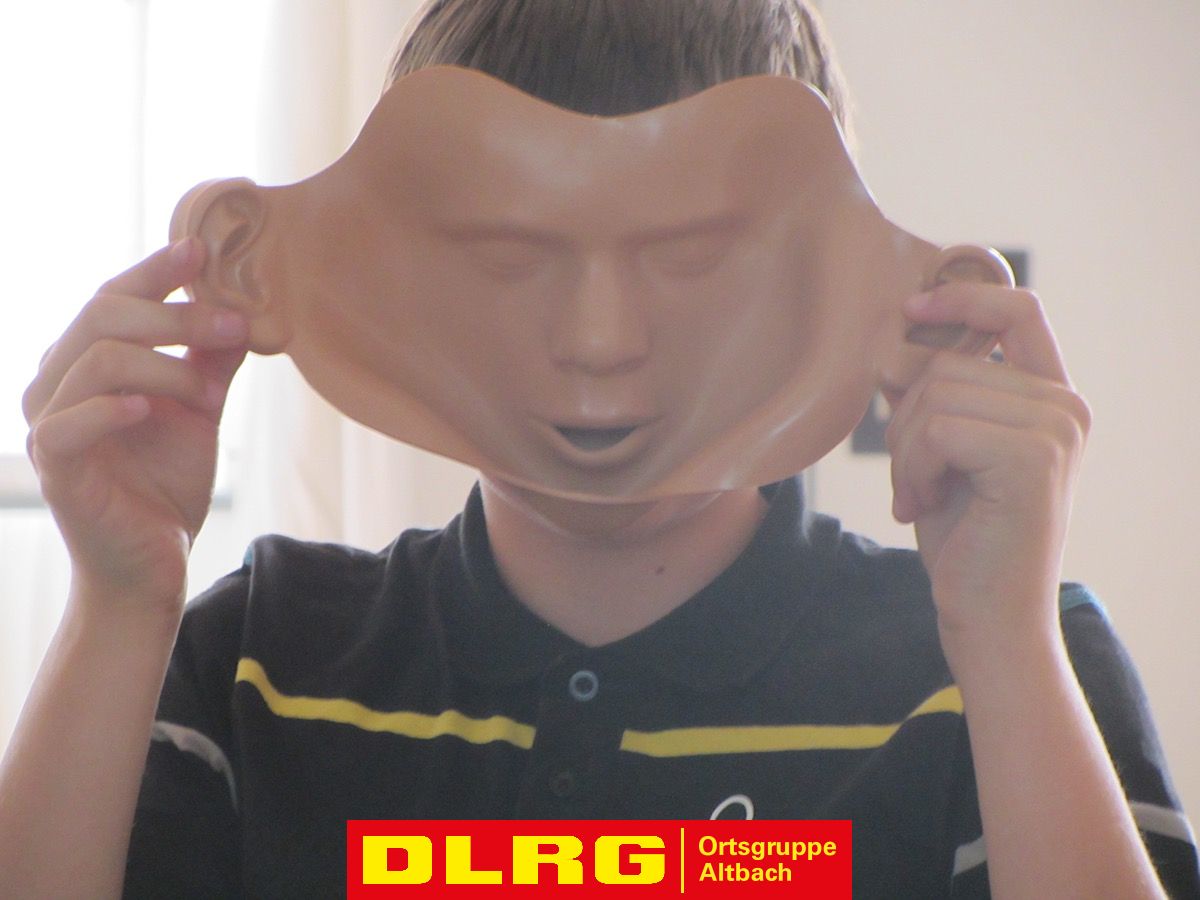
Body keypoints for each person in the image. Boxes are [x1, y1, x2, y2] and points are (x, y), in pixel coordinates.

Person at [1, 1, 1196, 897]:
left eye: (692, 259)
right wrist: (116, 606)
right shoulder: (257, 662)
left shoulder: (1014, 660)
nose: (599, 342)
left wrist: (1003, 639)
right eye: (509, 259)